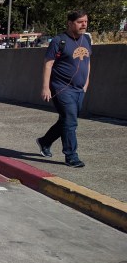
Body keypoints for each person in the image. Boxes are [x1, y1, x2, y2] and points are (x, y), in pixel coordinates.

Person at [36, 11, 91, 168]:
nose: (84, 24)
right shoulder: (59, 41)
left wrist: (86, 83)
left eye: (86, 21)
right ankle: (71, 156)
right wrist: (46, 87)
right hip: (61, 88)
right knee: (71, 121)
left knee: (66, 120)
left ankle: (45, 141)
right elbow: (48, 64)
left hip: (79, 89)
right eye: (80, 22)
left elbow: (87, 62)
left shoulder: (86, 39)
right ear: (70, 23)